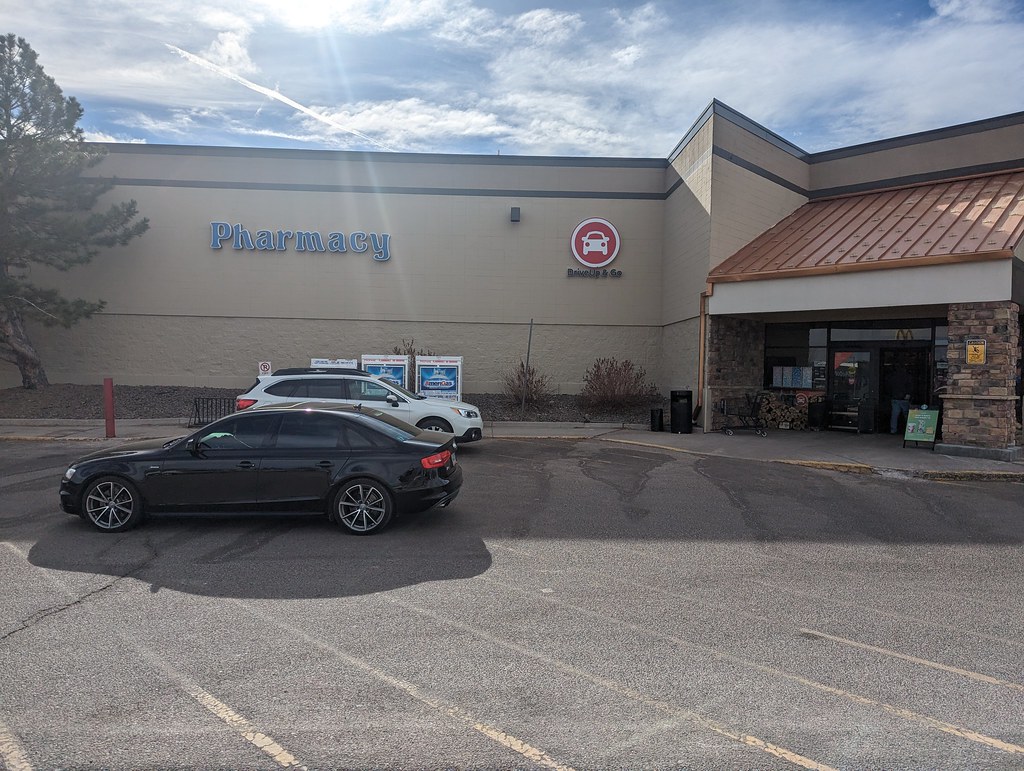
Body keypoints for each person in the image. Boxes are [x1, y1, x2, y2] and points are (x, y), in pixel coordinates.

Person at [887, 363, 914, 434]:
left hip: (895, 397)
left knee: (894, 415)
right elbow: (910, 386)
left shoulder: (892, 376)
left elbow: (889, 386)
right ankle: (909, 430)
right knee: (907, 415)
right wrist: (908, 394)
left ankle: (893, 430)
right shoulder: (907, 376)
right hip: (904, 398)